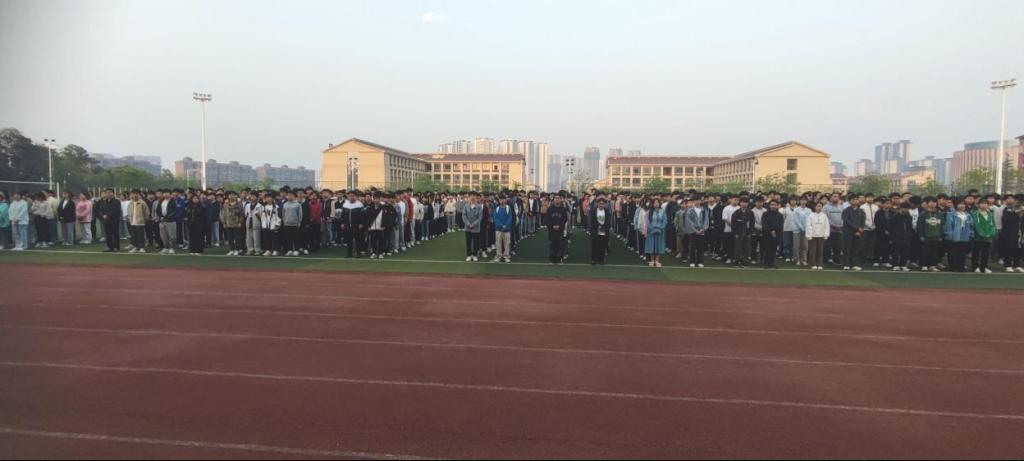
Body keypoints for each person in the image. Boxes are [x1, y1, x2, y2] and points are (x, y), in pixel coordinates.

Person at [944, 201, 973, 273]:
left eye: (963, 204)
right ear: (956, 205)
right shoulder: (951, 214)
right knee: (953, 252)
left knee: (962, 253)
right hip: (954, 236)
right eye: (960, 204)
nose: (962, 205)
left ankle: (961, 267)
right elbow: (948, 225)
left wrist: (971, 234)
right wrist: (950, 235)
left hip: (965, 236)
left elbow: (971, 225)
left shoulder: (968, 215)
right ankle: (953, 267)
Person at [917, 197, 944, 272]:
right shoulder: (923, 214)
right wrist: (921, 235)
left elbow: (942, 225)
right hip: (926, 237)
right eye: (931, 202)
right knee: (925, 252)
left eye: (934, 202)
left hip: (936, 236)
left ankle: (932, 265)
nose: (933, 204)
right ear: (927, 203)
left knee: (934, 252)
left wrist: (941, 235)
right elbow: (920, 225)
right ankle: (924, 265)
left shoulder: (939, 214)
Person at [683, 196, 710, 268]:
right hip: (693, 231)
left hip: (702, 231)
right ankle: (692, 261)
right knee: (692, 246)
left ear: (700, 201)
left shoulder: (704, 210)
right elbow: (688, 221)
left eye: (698, 200)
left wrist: (703, 229)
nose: (697, 202)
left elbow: (706, 221)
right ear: (693, 201)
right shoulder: (690, 210)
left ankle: (700, 261)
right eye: (696, 200)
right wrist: (695, 230)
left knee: (701, 247)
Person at [841, 194, 866, 271]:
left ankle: (854, 264)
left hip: (858, 233)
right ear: (849, 201)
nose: (855, 201)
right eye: (853, 199)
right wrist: (857, 229)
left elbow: (863, 222)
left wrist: (860, 229)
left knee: (856, 249)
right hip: (848, 232)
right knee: (847, 248)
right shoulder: (846, 211)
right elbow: (847, 222)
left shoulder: (861, 211)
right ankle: (846, 264)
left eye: (856, 199)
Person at [970, 201, 996, 273]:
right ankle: (975, 267)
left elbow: (993, 225)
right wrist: (982, 234)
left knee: (986, 253)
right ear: (978, 205)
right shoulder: (975, 214)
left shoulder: (990, 214)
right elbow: (975, 225)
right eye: (982, 203)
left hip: (988, 238)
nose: (984, 205)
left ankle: (984, 267)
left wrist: (991, 233)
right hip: (977, 237)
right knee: (976, 253)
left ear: (988, 205)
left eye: (985, 203)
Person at [806, 202, 830, 270]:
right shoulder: (811, 215)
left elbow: (827, 226)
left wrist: (826, 234)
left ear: (822, 207)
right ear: (815, 207)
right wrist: (809, 235)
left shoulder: (824, 216)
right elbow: (808, 225)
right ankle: (813, 264)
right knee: (813, 250)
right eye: (817, 206)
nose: (819, 208)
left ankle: (819, 264)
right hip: (813, 235)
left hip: (821, 235)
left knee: (820, 250)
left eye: (820, 206)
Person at [546, 194, 570, 265]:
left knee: (560, 245)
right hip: (552, 230)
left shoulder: (563, 209)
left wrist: (559, 226)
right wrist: (552, 226)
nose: (557, 199)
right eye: (555, 198)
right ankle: (552, 260)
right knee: (552, 245)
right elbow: (548, 219)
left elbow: (565, 219)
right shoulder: (550, 209)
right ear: (553, 200)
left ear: (560, 199)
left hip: (560, 230)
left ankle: (559, 260)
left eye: (558, 198)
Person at [731, 198, 754, 268]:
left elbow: (752, 223)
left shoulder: (750, 212)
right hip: (738, 233)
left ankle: (745, 261)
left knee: (746, 248)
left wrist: (750, 232)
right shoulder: (736, 212)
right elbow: (733, 224)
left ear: (748, 204)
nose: (744, 204)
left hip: (747, 232)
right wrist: (735, 233)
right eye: (743, 202)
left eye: (746, 202)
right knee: (738, 247)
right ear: (740, 203)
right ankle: (737, 261)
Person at [644, 198, 667, 267]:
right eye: (655, 203)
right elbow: (647, 221)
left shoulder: (662, 211)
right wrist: (651, 228)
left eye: (657, 202)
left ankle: (657, 260)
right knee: (651, 245)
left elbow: (665, 221)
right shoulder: (650, 211)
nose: (656, 204)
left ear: (659, 203)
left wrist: (660, 227)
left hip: (660, 231)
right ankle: (652, 260)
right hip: (651, 231)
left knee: (658, 245)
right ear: (652, 204)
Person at [762, 200, 784, 269]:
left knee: (774, 249)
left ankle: (772, 262)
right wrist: (771, 231)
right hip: (767, 234)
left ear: (777, 206)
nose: (773, 206)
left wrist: (775, 231)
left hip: (776, 234)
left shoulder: (780, 215)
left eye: (775, 205)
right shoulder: (765, 214)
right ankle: (766, 263)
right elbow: (764, 224)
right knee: (767, 248)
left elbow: (780, 225)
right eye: (772, 205)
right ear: (769, 206)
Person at [590, 197, 611, 265]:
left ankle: (601, 259)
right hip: (596, 230)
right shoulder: (594, 211)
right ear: (597, 204)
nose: (601, 205)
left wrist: (603, 226)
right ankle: (594, 259)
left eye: (602, 204)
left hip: (604, 230)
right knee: (595, 245)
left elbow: (608, 220)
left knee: (602, 245)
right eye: (600, 203)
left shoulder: (606, 211)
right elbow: (592, 220)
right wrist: (598, 225)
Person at [281, 191, 303, 256]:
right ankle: (289, 250)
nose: (289, 196)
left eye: (291, 195)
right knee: (288, 238)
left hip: (295, 224)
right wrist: (284, 221)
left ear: (294, 196)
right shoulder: (285, 204)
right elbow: (283, 214)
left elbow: (300, 215)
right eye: (288, 195)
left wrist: (299, 222)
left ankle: (296, 250)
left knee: (296, 238)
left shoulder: (298, 204)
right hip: (287, 224)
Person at [493, 194, 513, 263]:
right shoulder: (497, 208)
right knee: (498, 243)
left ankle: (506, 256)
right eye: (500, 199)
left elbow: (510, 218)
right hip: (498, 229)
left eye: (503, 199)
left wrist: (506, 225)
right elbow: (495, 218)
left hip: (507, 229)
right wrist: (501, 225)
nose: (502, 201)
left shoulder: (508, 208)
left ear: (506, 200)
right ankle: (499, 256)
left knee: (507, 243)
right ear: (499, 200)